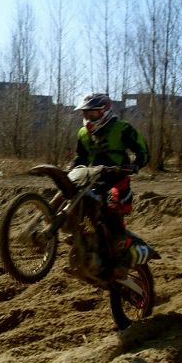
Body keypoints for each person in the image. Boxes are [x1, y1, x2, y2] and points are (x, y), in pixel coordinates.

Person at [69, 92, 149, 276]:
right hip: (91, 179)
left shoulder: (122, 128)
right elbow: (80, 158)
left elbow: (142, 150)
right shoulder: (83, 133)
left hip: (117, 180)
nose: (89, 118)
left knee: (113, 212)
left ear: (104, 112)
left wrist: (135, 165)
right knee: (75, 200)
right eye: (85, 114)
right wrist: (70, 169)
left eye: (93, 114)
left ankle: (121, 262)